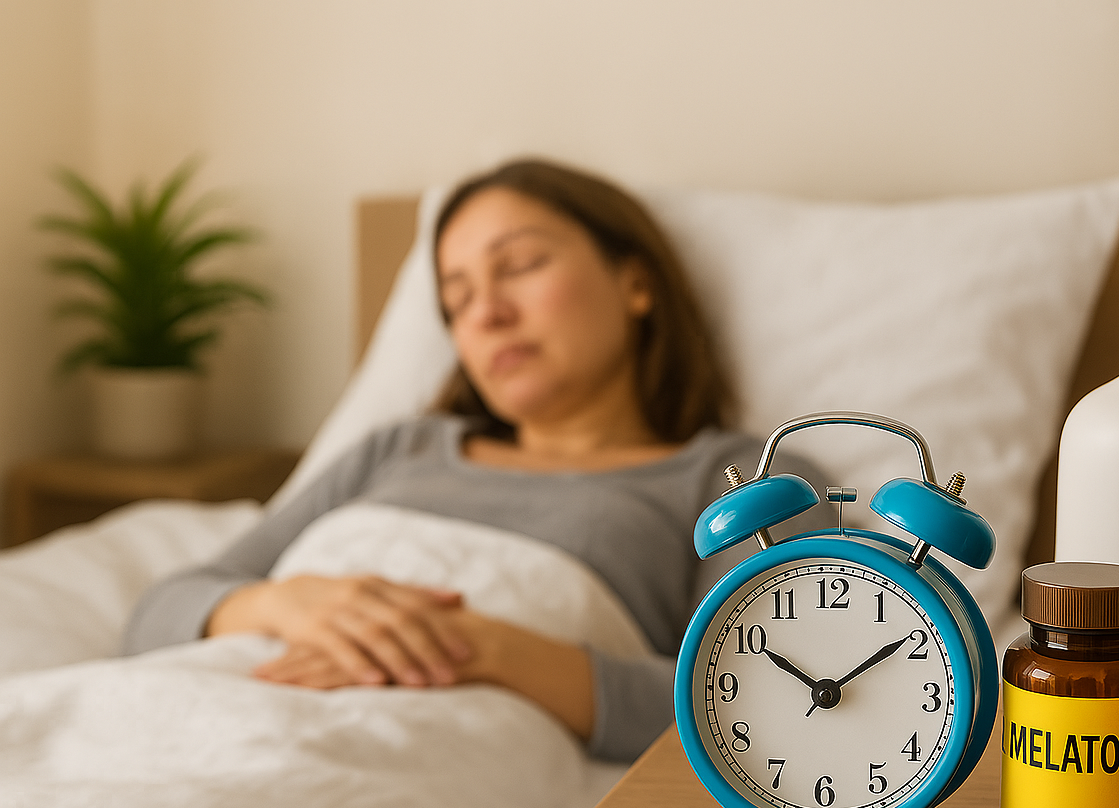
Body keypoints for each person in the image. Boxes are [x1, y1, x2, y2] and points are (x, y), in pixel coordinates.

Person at [124, 158, 827, 761]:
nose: (486, 312)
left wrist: (487, 649)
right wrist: (285, 601)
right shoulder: (399, 447)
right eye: (456, 300)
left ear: (635, 284)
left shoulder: (745, 483)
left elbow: (767, 712)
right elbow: (154, 617)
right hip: (201, 718)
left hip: (427, 762)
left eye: (519, 267)